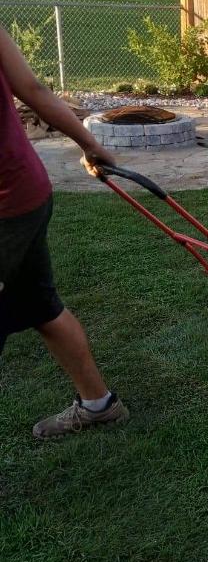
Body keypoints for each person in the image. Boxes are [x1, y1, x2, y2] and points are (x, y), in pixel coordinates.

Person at [0, 25, 129, 439]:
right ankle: (99, 405)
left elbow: (32, 90)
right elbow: (33, 89)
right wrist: (90, 144)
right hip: (26, 190)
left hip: (7, 206)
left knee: (41, 305)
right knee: (41, 307)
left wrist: (91, 144)